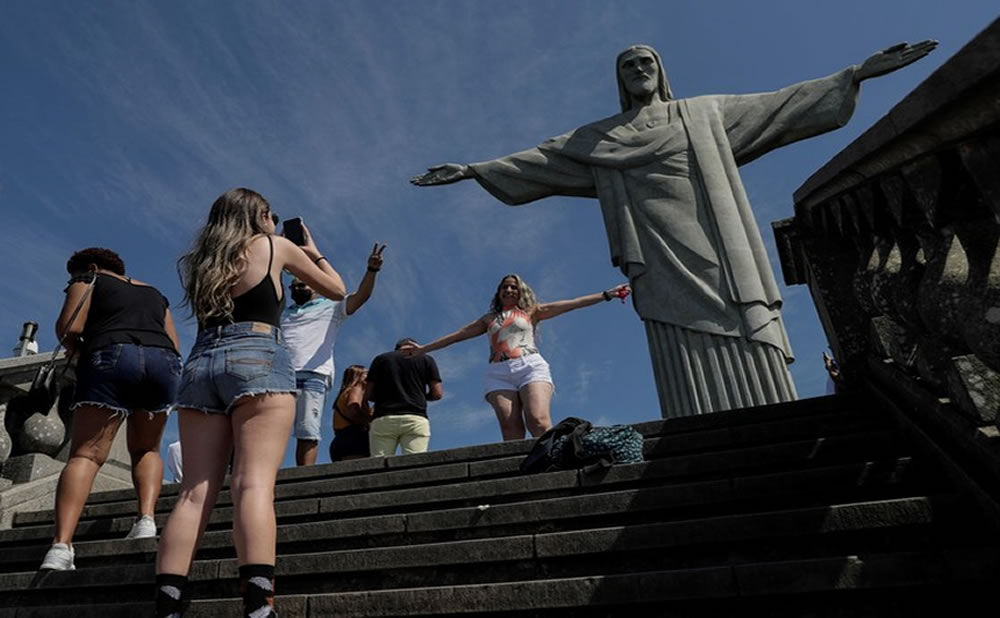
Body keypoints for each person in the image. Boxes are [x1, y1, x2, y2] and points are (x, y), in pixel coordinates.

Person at [411, 41, 937, 419]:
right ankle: (697, 424)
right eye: (628, 66)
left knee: (742, 314)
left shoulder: (704, 112)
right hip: (654, 249)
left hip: (718, 239)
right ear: (621, 82)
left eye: (645, 62)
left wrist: (855, 74)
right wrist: (474, 169)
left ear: (660, 72)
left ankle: (773, 414)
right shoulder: (599, 138)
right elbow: (540, 160)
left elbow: (782, 102)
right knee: (672, 328)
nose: (638, 69)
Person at [154, 188, 346, 618]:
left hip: (201, 363)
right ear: (259, 216)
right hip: (257, 354)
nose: (275, 220)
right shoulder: (278, 246)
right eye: (270, 213)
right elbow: (336, 290)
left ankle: (168, 605)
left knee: (192, 493)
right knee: (253, 484)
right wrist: (312, 252)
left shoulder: (203, 263)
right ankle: (258, 607)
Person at [40, 248, 182, 571]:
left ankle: (60, 547)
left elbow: (70, 327)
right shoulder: (155, 294)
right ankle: (145, 520)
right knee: (147, 449)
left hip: (112, 355)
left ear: (90, 267)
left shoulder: (89, 279)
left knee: (86, 455)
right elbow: (174, 343)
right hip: (163, 364)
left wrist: (77, 351)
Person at [404, 274, 629, 440]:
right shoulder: (489, 318)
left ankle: (553, 462)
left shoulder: (532, 311)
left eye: (514, 287)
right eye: (505, 287)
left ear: (520, 291)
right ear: (499, 292)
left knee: (538, 421)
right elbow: (457, 336)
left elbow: (572, 303)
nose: (509, 290)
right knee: (511, 428)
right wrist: (424, 349)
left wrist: (606, 294)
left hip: (530, 366)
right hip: (498, 373)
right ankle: (521, 474)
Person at [281, 243, 385, 466]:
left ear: (315, 288)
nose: (297, 288)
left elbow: (361, 296)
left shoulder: (332, 307)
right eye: (294, 287)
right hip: (279, 374)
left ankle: (304, 478)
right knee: (271, 429)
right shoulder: (283, 313)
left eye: (303, 285)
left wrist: (372, 270)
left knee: (307, 430)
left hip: (313, 375)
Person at [365, 338, 442, 456]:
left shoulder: (381, 359)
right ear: (415, 346)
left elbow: (368, 394)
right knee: (414, 463)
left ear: (396, 348)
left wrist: (382, 398)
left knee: (378, 465)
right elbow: (437, 394)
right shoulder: (427, 359)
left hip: (384, 417)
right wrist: (420, 396)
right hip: (415, 417)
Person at [328, 364, 373, 461]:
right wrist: (369, 420)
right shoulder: (356, 389)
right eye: (366, 374)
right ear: (358, 377)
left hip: (341, 441)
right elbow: (353, 410)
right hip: (354, 441)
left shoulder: (343, 394)